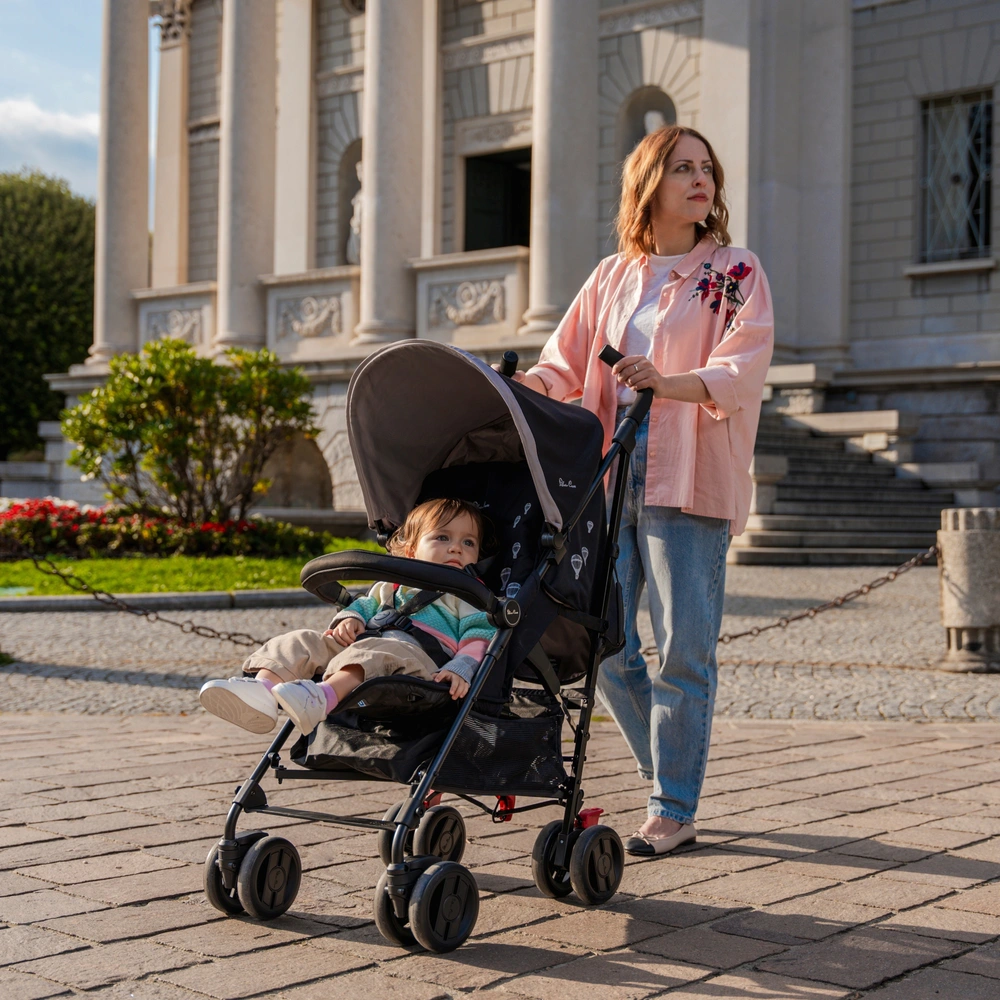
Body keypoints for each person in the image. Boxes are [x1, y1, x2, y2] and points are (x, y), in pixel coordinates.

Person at [507, 126, 774, 856]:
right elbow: (561, 367)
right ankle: (669, 772)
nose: (701, 180)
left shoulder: (735, 271)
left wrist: (669, 382)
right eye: (682, 167)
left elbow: (743, 364)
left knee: (685, 647)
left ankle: (673, 805)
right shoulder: (612, 276)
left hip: (690, 462)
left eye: (707, 169)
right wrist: (513, 387)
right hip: (609, 469)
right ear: (648, 183)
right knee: (607, 646)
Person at [198, 498, 495, 737]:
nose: (457, 547)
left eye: (468, 543)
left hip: (420, 663)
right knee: (301, 640)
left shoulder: (467, 594)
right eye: (443, 537)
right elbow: (365, 605)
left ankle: (322, 697)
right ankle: (261, 691)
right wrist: (349, 619)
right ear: (412, 549)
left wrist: (461, 668)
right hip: (365, 645)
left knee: (378, 651)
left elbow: (479, 635)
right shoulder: (391, 584)